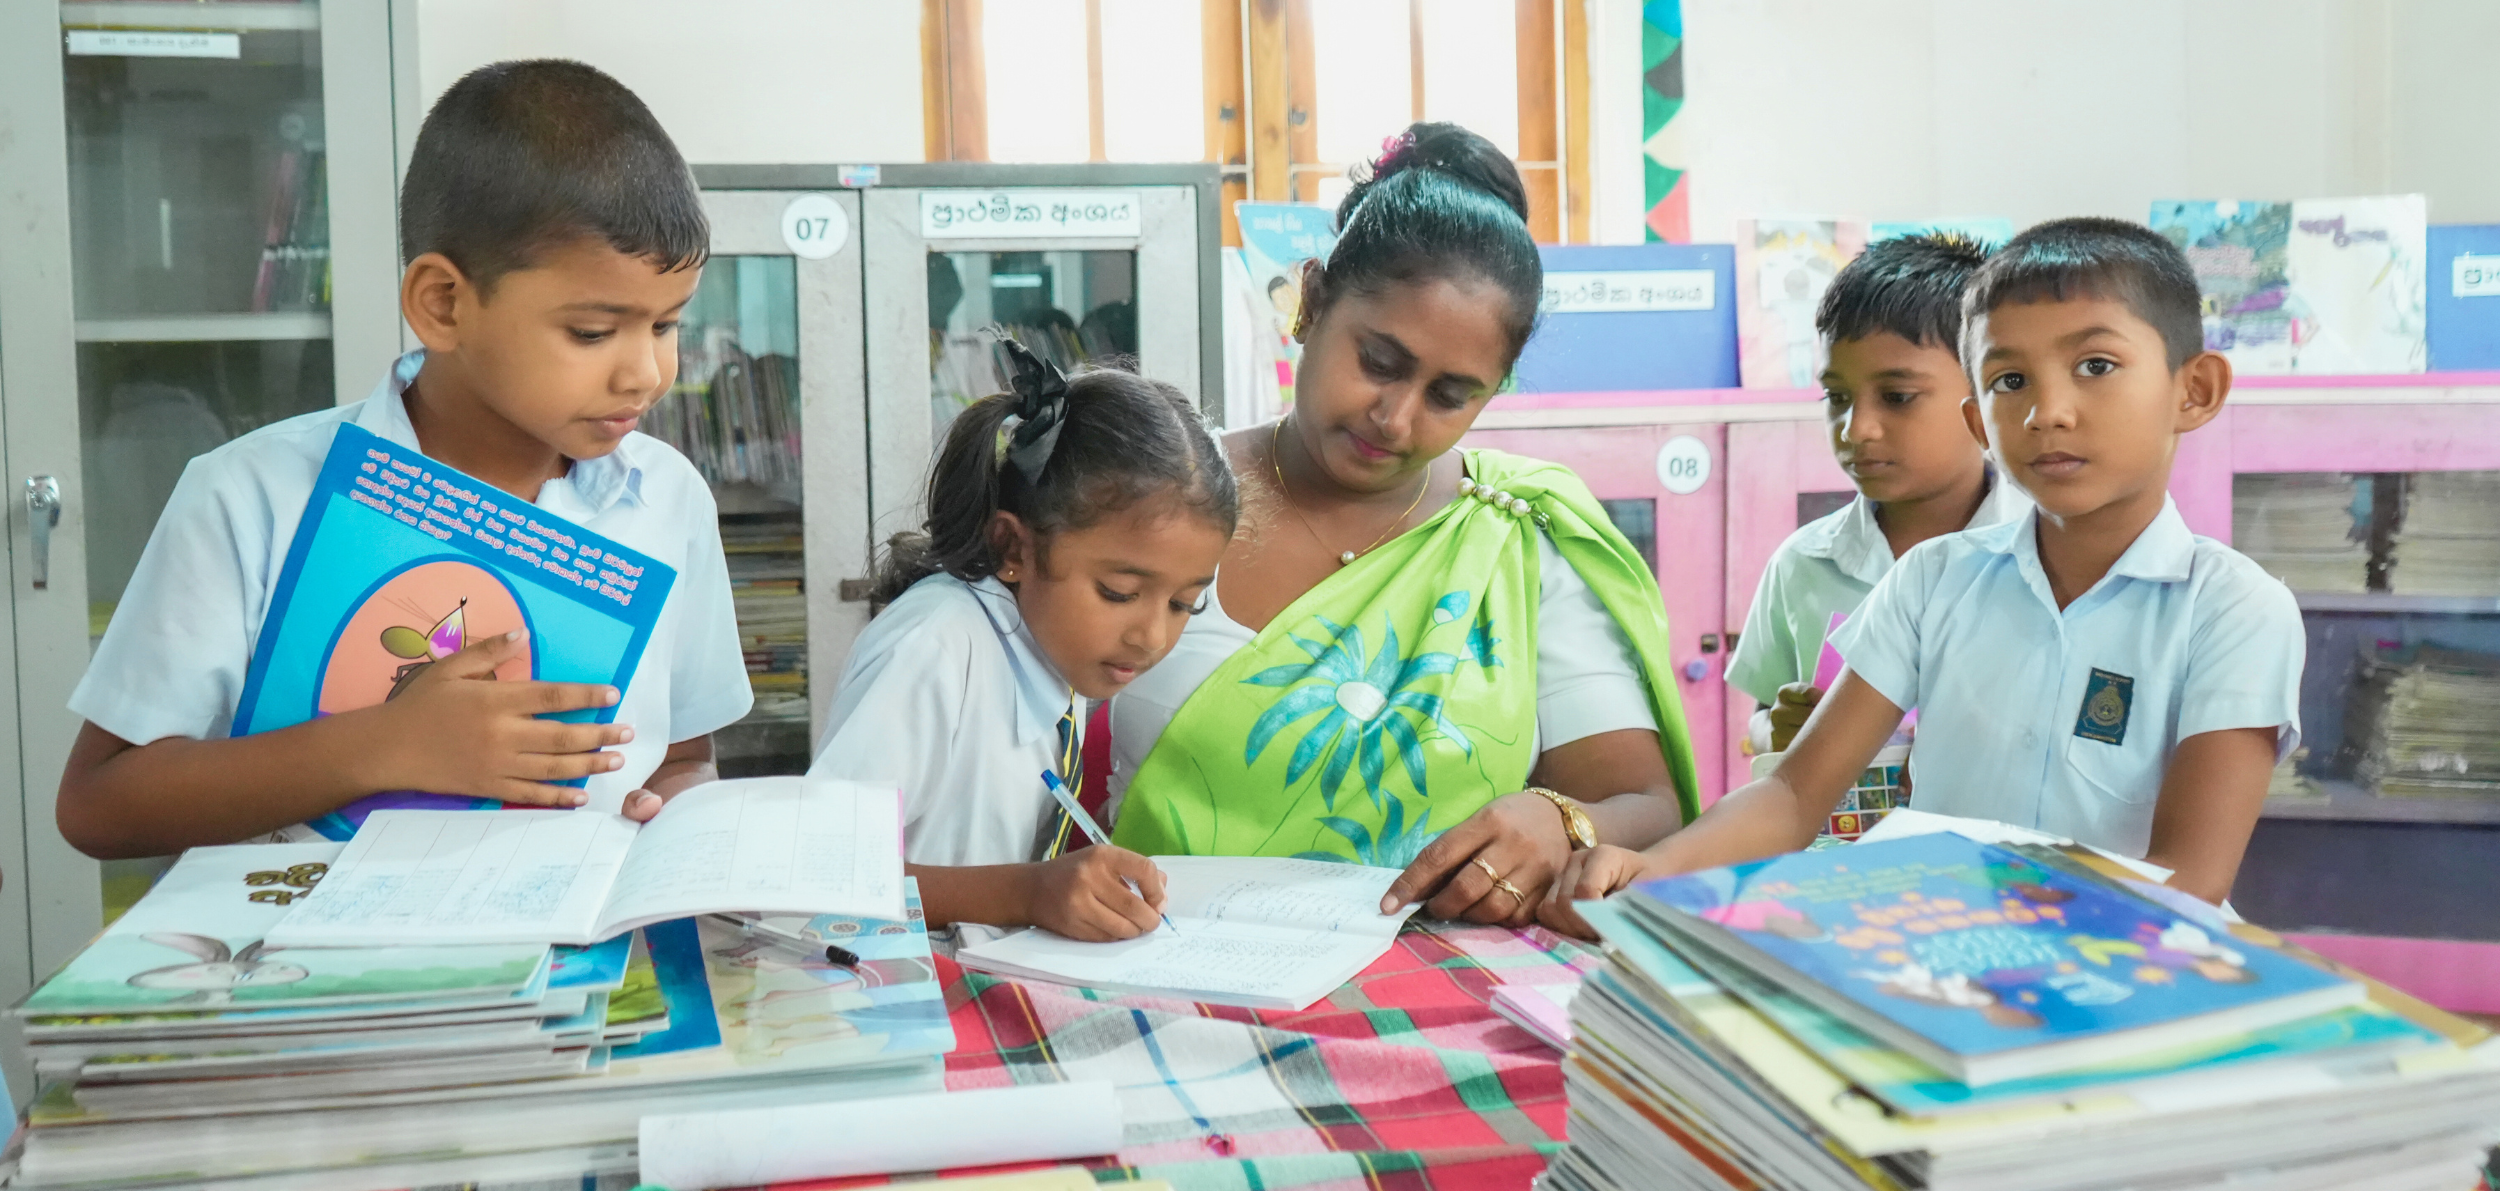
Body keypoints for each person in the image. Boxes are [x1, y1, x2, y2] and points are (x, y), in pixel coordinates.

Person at [56, 60, 749, 853]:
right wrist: (387, 744)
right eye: (593, 332)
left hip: (569, 962)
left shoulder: (667, 498)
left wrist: (662, 813)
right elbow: (100, 807)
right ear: (443, 304)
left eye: (666, 326)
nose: (647, 373)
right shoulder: (253, 497)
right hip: (311, 963)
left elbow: (685, 758)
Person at [1545, 217, 2305, 930]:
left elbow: (2188, 881)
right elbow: (1792, 792)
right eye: (2011, 382)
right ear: (1980, 422)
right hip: (1929, 958)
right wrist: (1654, 868)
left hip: (2126, 973)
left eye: (2095, 366)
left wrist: (1964, 919)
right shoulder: (1932, 581)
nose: (2049, 411)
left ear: (2194, 391)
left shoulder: (2233, 609)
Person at [1106, 122, 1701, 926]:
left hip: (1450, 1005)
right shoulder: (1156, 498)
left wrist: (1563, 820)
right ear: (1311, 302)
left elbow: (1647, 803)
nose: (1395, 416)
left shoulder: (1517, 538)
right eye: (1379, 362)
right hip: (1159, 970)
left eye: (1450, 395)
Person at [808, 339, 1238, 942]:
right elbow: (815, 873)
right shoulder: (935, 646)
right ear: (1015, 549)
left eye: (1183, 603)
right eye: (1118, 591)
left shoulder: (1058, 647)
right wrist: (1028, 893)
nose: (1151, 635)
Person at [1726, 232, 2030, 752]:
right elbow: (1760, 721)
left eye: (1897, 397)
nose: (1856, 428)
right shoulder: (1804, 564)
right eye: (1837, 397)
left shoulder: (2044, 552)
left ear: (1984, 393)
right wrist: (1779, 731)